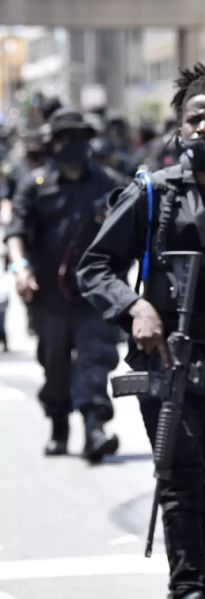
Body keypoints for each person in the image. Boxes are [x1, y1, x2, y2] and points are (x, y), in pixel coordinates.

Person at [77, 64, 205, 598]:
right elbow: (94, 267)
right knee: (181, 480)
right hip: (166, 361)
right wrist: (135, 307)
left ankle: (193, 576)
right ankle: (189, 587)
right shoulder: (151, 195)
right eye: (194, 121)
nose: (204, 130)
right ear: (179, 129)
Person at [4, 108, 122, 462]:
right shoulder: (35, 184)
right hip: (49, 295)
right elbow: (16, 232)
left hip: (96, 291)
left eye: (79, 137)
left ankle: (94, 429)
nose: (73, 145)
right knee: (54, 361)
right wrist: (21, 269)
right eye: (65, 138)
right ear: (53, 143)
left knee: (94, 358)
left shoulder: (107, 181)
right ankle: (59, 424)